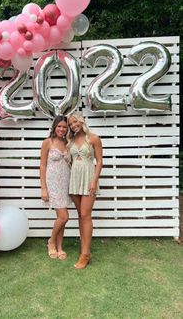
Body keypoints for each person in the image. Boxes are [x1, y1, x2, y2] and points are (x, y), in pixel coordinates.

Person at [67, 111, 102, 269]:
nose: (73, 125)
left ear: (81, 121)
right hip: (75, 179)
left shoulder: (93, 138)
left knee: (85, 215)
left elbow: (100, 161)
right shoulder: (71, 140)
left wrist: (94, 181)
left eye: (75, 122)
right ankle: (84, 249)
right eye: (71, 124)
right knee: (80, 216)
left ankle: (85, 254)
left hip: (88, 179)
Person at [40, 115, 71, 260]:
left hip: (66, 182)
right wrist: (44, 188)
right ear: (54, 127)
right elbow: (43, 165)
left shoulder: (68, 143)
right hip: (53, 183)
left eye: (64, 127)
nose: (62, 129)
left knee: (61, 218)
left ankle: (60, 247)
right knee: (64, 216)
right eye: (59, 126)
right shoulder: (47, 142)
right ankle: (51, 241)